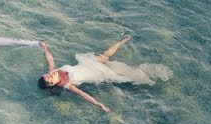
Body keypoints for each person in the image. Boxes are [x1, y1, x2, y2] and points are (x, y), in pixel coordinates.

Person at [37, 36, 172, 113]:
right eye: (49, 76)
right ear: (53, 83)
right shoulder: (67, 85)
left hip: (87, 63)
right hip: (97, 73)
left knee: (105, 55)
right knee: (129, 77)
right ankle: (154, 79)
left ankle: (122, 41)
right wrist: (99, 105)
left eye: (47, 73)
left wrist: (45, 48)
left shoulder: (54, 70)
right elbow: (83, 95)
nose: (50, 73)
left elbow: (49, 59)